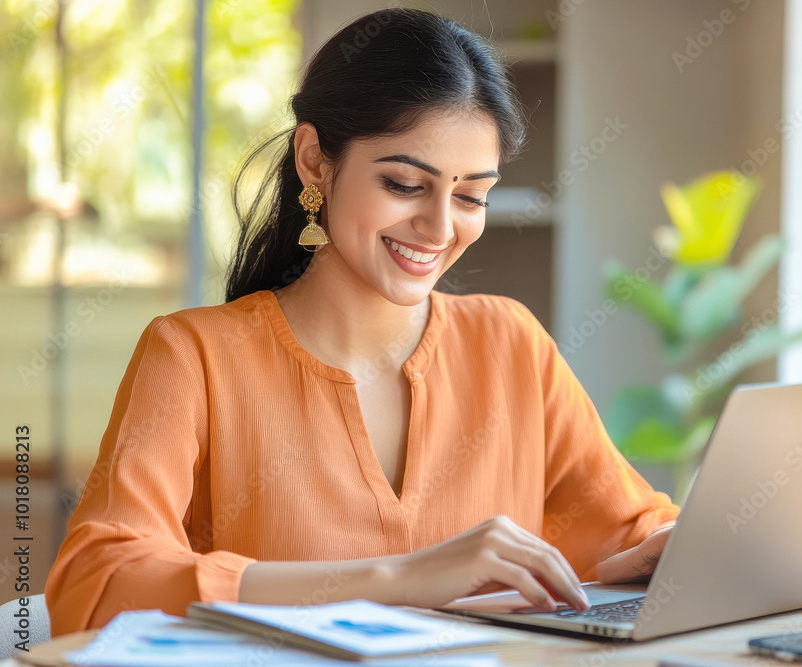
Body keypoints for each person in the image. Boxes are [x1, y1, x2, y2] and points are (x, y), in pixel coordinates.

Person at [45, 7, 680, 636]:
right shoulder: (193, 355)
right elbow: (96, 582)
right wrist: (395, 578)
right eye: (405, 184)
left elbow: (630, 533)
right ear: (315, 160)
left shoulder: (509, 342)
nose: (439, 229)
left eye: (470, 196)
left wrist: (687, 546)